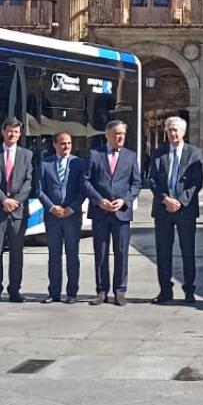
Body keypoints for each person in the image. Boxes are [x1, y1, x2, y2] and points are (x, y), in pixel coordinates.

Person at [85, 120, 141, 306]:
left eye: (123, 134)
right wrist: (98, 200)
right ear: (107, 134)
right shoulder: (95, 155)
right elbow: (86, 181)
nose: (120, 137)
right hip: (100, 212)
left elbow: (136, 183)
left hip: (121, 212)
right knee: (100, 252)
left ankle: (120, 291)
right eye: (117, 134)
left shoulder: (130, 157)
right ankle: (101, 291)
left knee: (121, 252)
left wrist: (125, 200)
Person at [150, 116, 203, 304]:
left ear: (183, 132)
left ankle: (189, 290)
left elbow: (197, 182)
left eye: (176, 130)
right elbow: (152, 180)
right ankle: (165, 290)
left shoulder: (194, 153)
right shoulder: (159, 153)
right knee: (163, 251)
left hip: (185, 210)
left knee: (187, 250)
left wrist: (180, 201)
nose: (173, 133)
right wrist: (165, 199)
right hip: (163, 209)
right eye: (170, 129)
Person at [0, 118, 35, 302]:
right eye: (9, 131)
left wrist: (15, 201)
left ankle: (15, 290)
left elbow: (29, 182)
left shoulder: (27, 155)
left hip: (18, 212)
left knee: (16, 252)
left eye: (16, 132)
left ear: (20, 134)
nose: (12, 134)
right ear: (3, 132)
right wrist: (4, 200)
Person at [38, 132, 88, 303]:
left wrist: (71, 209)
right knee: (54, 255)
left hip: (72, 216)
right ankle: (54, 292)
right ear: (54, 144)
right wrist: (52, 207)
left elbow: (83, 189)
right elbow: (40, 190)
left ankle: (72, 292)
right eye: (62, 143)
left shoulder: (79, 164)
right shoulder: (45, 164)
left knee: (72, 255)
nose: (66, 146)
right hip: (52, 217)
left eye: (69, 143)